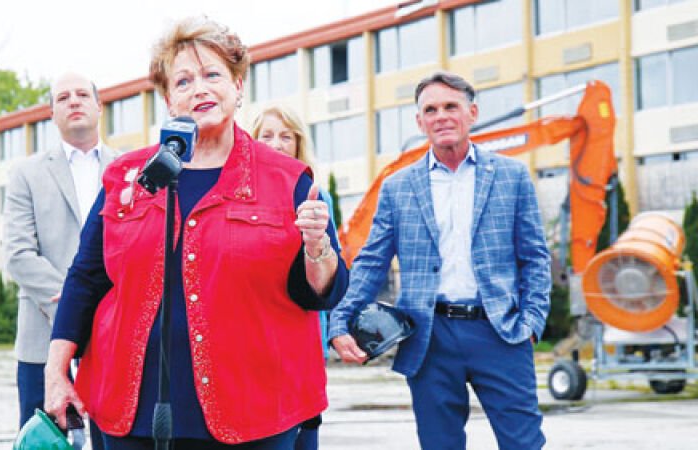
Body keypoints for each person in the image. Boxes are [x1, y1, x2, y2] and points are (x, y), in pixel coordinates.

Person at [44, 16, 348, 450]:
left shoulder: (289, 179)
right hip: (130, 413)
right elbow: (86, 279)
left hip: (254, 411)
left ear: (238, 86)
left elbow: (318, 294)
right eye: (183, 81)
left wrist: (318, 250)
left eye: (212, 75)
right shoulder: (125, 176)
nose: (199, 89)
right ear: (169, 99)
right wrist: (56, 371)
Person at [329, 71, 551, 450]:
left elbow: (535, 257)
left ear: (472, 113)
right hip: (430, 337)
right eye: (431, 110)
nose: (441, 116)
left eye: (451, 106)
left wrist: (531, 321)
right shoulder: (398, 187)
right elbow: (371, 263)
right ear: (420, 122)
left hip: (500, 332)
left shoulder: (512, 176)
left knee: (524, 444)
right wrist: (339, 321)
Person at [4, 72, 117, 431]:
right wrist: (72, 300)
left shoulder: (129, 169)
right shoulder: (25, 173)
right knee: (45, 442)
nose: (74, 101)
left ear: (99, 106)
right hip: (43, 334)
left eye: (82, 94)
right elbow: (18, 254)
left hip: (114, 333)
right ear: (52, 113)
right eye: (63, 97)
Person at [251, 105, 335, 450]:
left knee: (303, 429)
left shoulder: (315, 195)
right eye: (267, 136)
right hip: (256, 333)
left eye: (286, 136)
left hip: (302, 333)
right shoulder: (240, 195)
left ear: (299, 143)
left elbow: (332, 272)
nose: (276, 144)